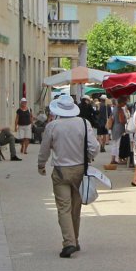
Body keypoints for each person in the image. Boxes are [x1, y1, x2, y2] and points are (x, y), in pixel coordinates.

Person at [38, 94, 99, 257]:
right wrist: (88, 157)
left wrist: (41, 164)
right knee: (75, 207)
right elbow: (94, 147)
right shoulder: (84, 123)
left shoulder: (52, 126)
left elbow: (44, 148)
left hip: (60, 170)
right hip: (80, 169)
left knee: (63, 208)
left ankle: (69, 242)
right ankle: (75, 240)